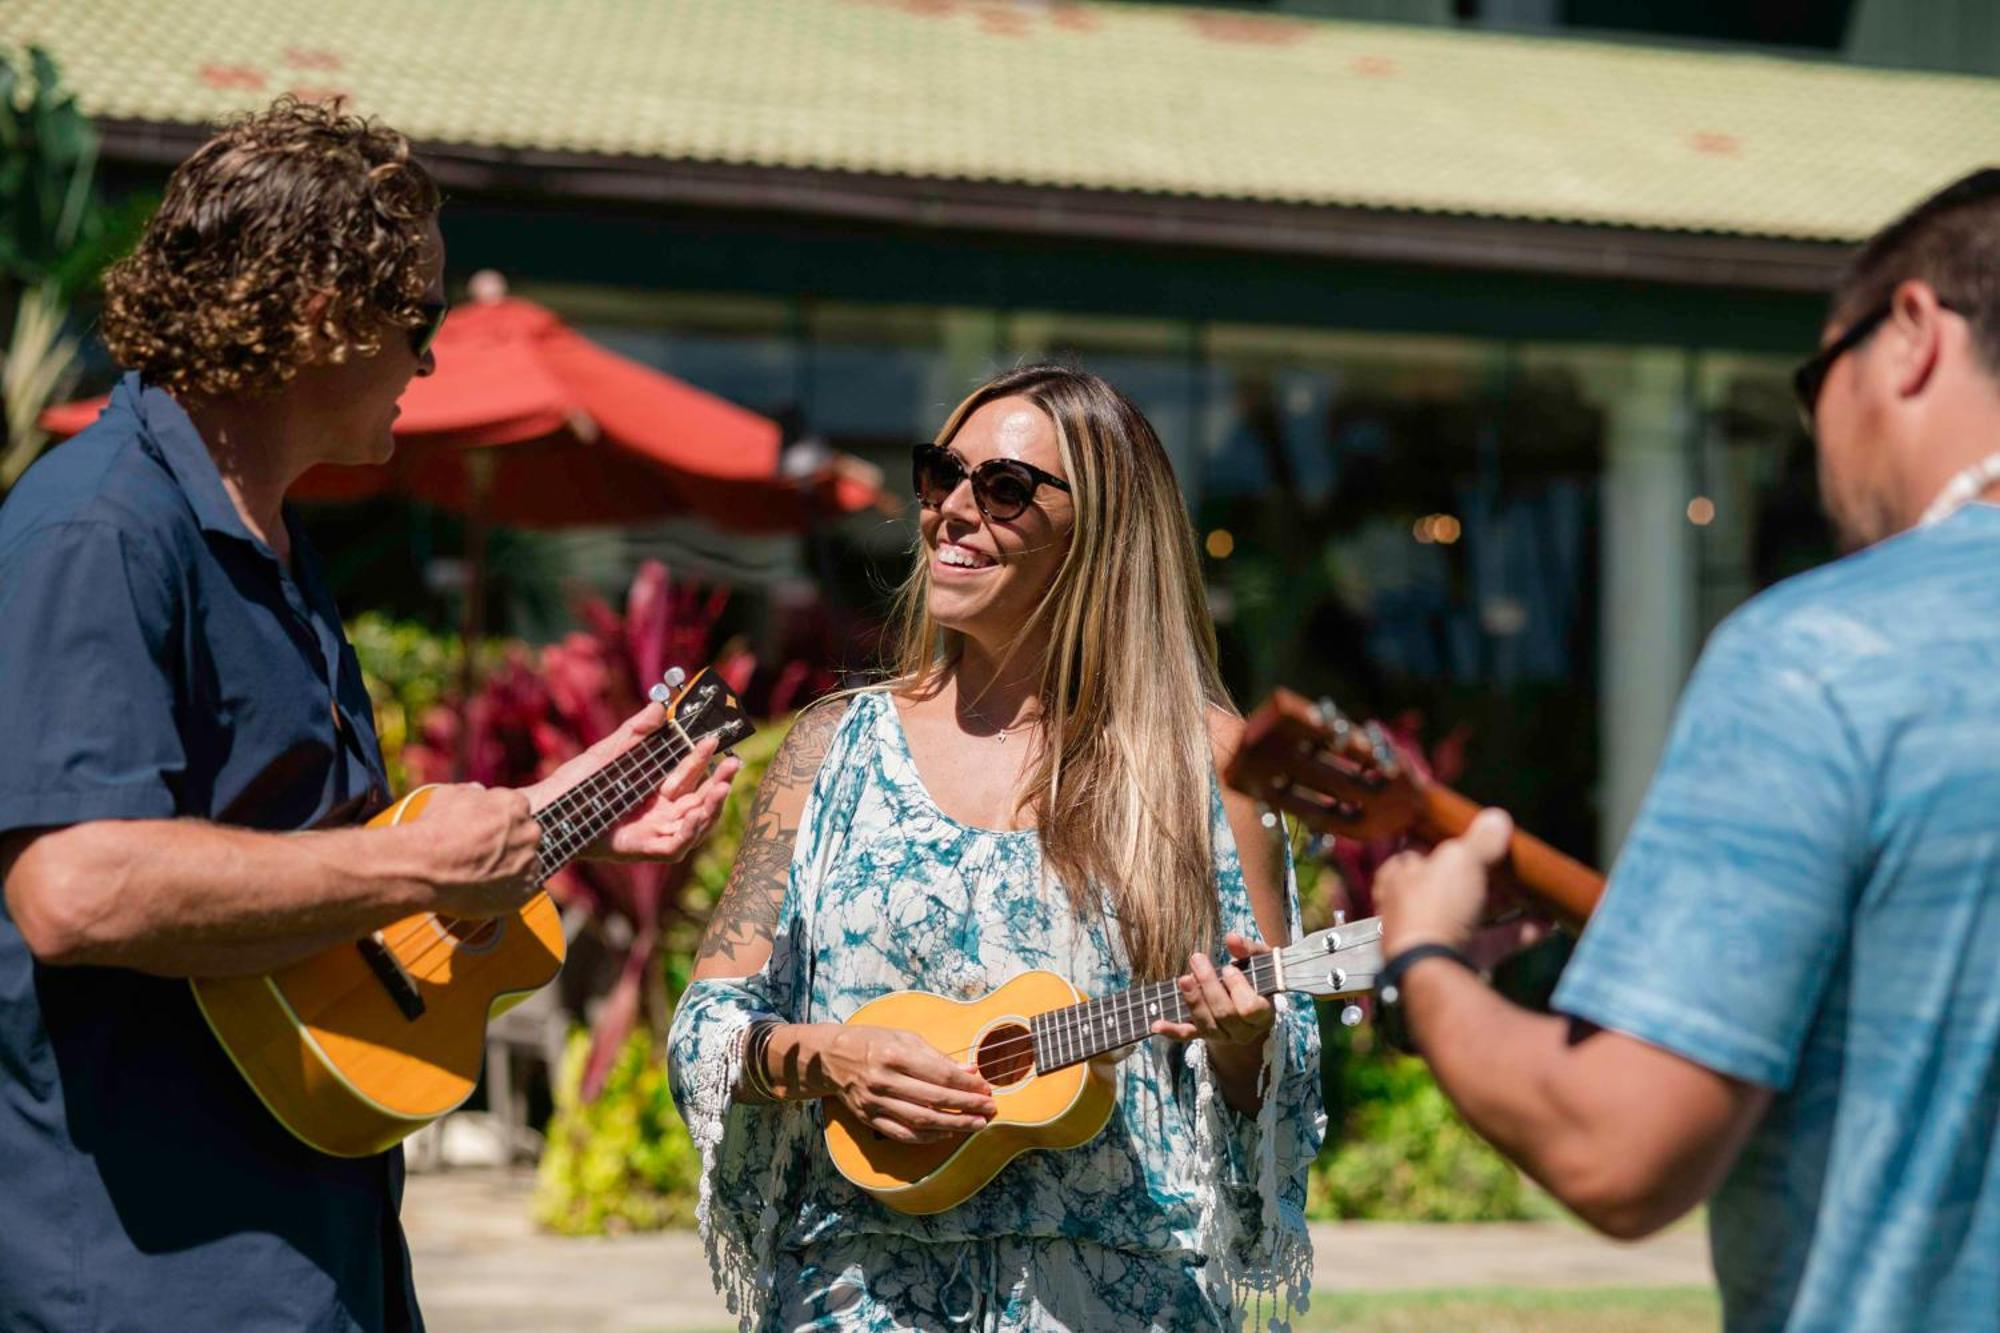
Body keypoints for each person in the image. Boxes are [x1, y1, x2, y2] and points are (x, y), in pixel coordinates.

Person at [0, 98, 738, 1333]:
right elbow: (75, 885)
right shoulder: (103, 531)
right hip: (149, 1274)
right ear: (317, 315)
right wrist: (416, 857)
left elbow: (333, 900)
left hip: (311, 1243)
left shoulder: (270, 540)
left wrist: (572, 811)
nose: (428, 360)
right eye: (418, 321)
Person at [1370, 168, 2000, 1332]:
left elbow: (1615, 1149)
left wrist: (1422, 965)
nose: (1814, 427)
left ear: (1909, 334)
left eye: (1816, 376)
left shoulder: (1823, 655)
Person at [669, 364, 1324, 1331]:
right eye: (943, 475)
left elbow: (1283, 1081)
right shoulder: (830, 748)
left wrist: (1243, 1043)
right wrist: (822, 1055)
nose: (954, 512)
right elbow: (707, 1030)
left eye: (1005, 489)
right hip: (853, 1302)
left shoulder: (1206, 768)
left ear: (1100, 530)